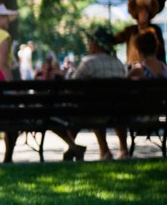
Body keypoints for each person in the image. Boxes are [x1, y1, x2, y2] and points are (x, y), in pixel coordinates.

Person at [55, 26, 129, 161]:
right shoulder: (118, 63)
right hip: (115, 113)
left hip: (90, 112)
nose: (88, 44)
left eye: (90, 41)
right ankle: (121, 149)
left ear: (94, 44)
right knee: (103, 103)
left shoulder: (88, 62)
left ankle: (74, 147)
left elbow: (71, 88)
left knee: (83, 107)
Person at [114, 0, 167, 65]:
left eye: (146, 11)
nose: (143, 14)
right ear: (137, 13)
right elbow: (115, 40)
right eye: (141, 11)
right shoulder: (130, 30)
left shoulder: (155, 30)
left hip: (150, 69)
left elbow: (161, 53)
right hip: (133, 68)